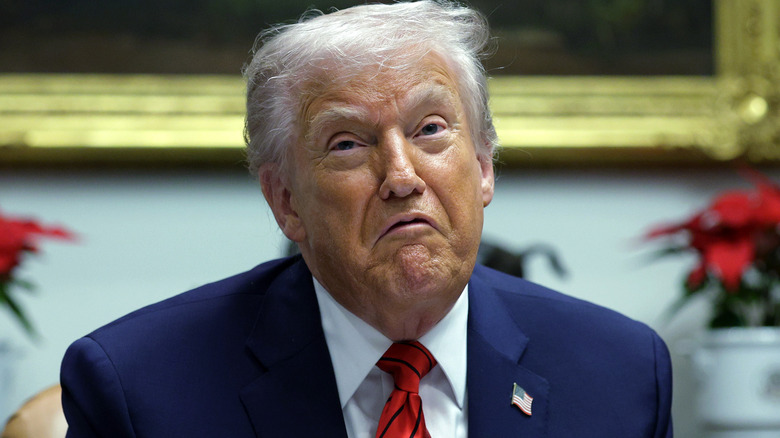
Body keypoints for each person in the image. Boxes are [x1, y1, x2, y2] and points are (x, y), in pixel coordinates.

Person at [60, 1, 673, 437]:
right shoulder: (139, 390)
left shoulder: (621, 373)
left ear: (484, 166)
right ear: (286, 202)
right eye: (348, 144)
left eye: (430, 129)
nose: (402, 177)